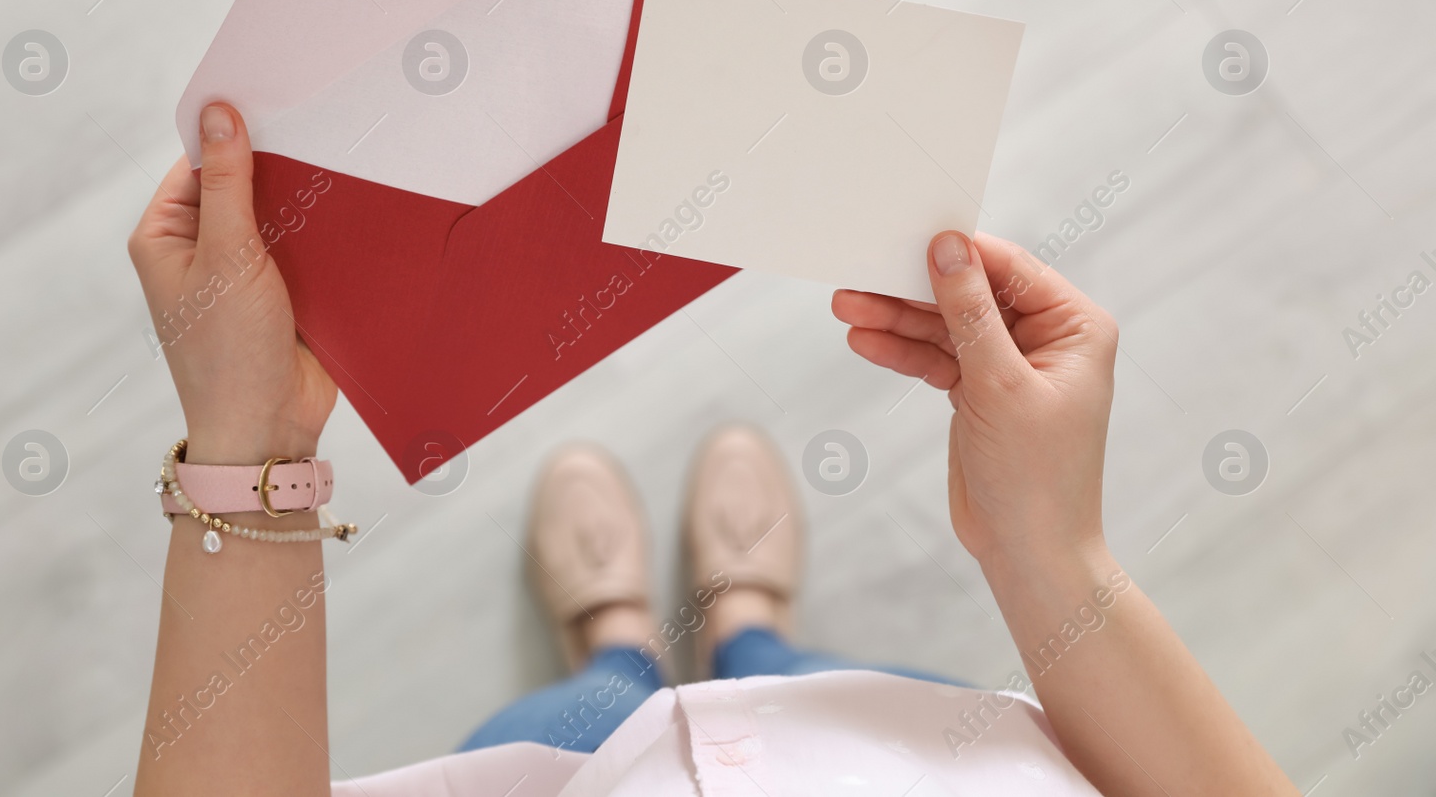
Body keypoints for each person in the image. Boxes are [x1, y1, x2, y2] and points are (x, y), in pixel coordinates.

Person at [128, 103, 1299, 796]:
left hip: (571, 774)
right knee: (800, 678)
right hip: (902, 756)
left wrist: (256, 441)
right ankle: (752, 627)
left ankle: (615, 643)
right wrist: (1049, 544)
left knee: (582, 708)